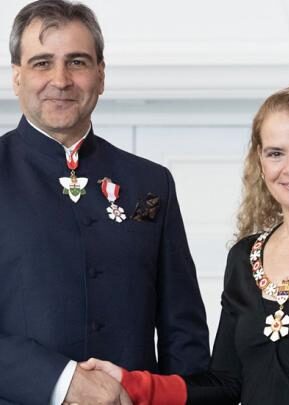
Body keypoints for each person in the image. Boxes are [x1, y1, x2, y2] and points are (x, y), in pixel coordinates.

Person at [81, 85, 289, 404]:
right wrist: (133, 385)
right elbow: (226, 384)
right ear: (260, 160)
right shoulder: (245, 256)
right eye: (276, 153)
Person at [0, 1, 210, 404]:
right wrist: (61, 382)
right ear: (16, 77)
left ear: (101, 74)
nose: (60, 80)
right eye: (42, 63)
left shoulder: (151, 182)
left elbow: (183, 334)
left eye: (77, 62)